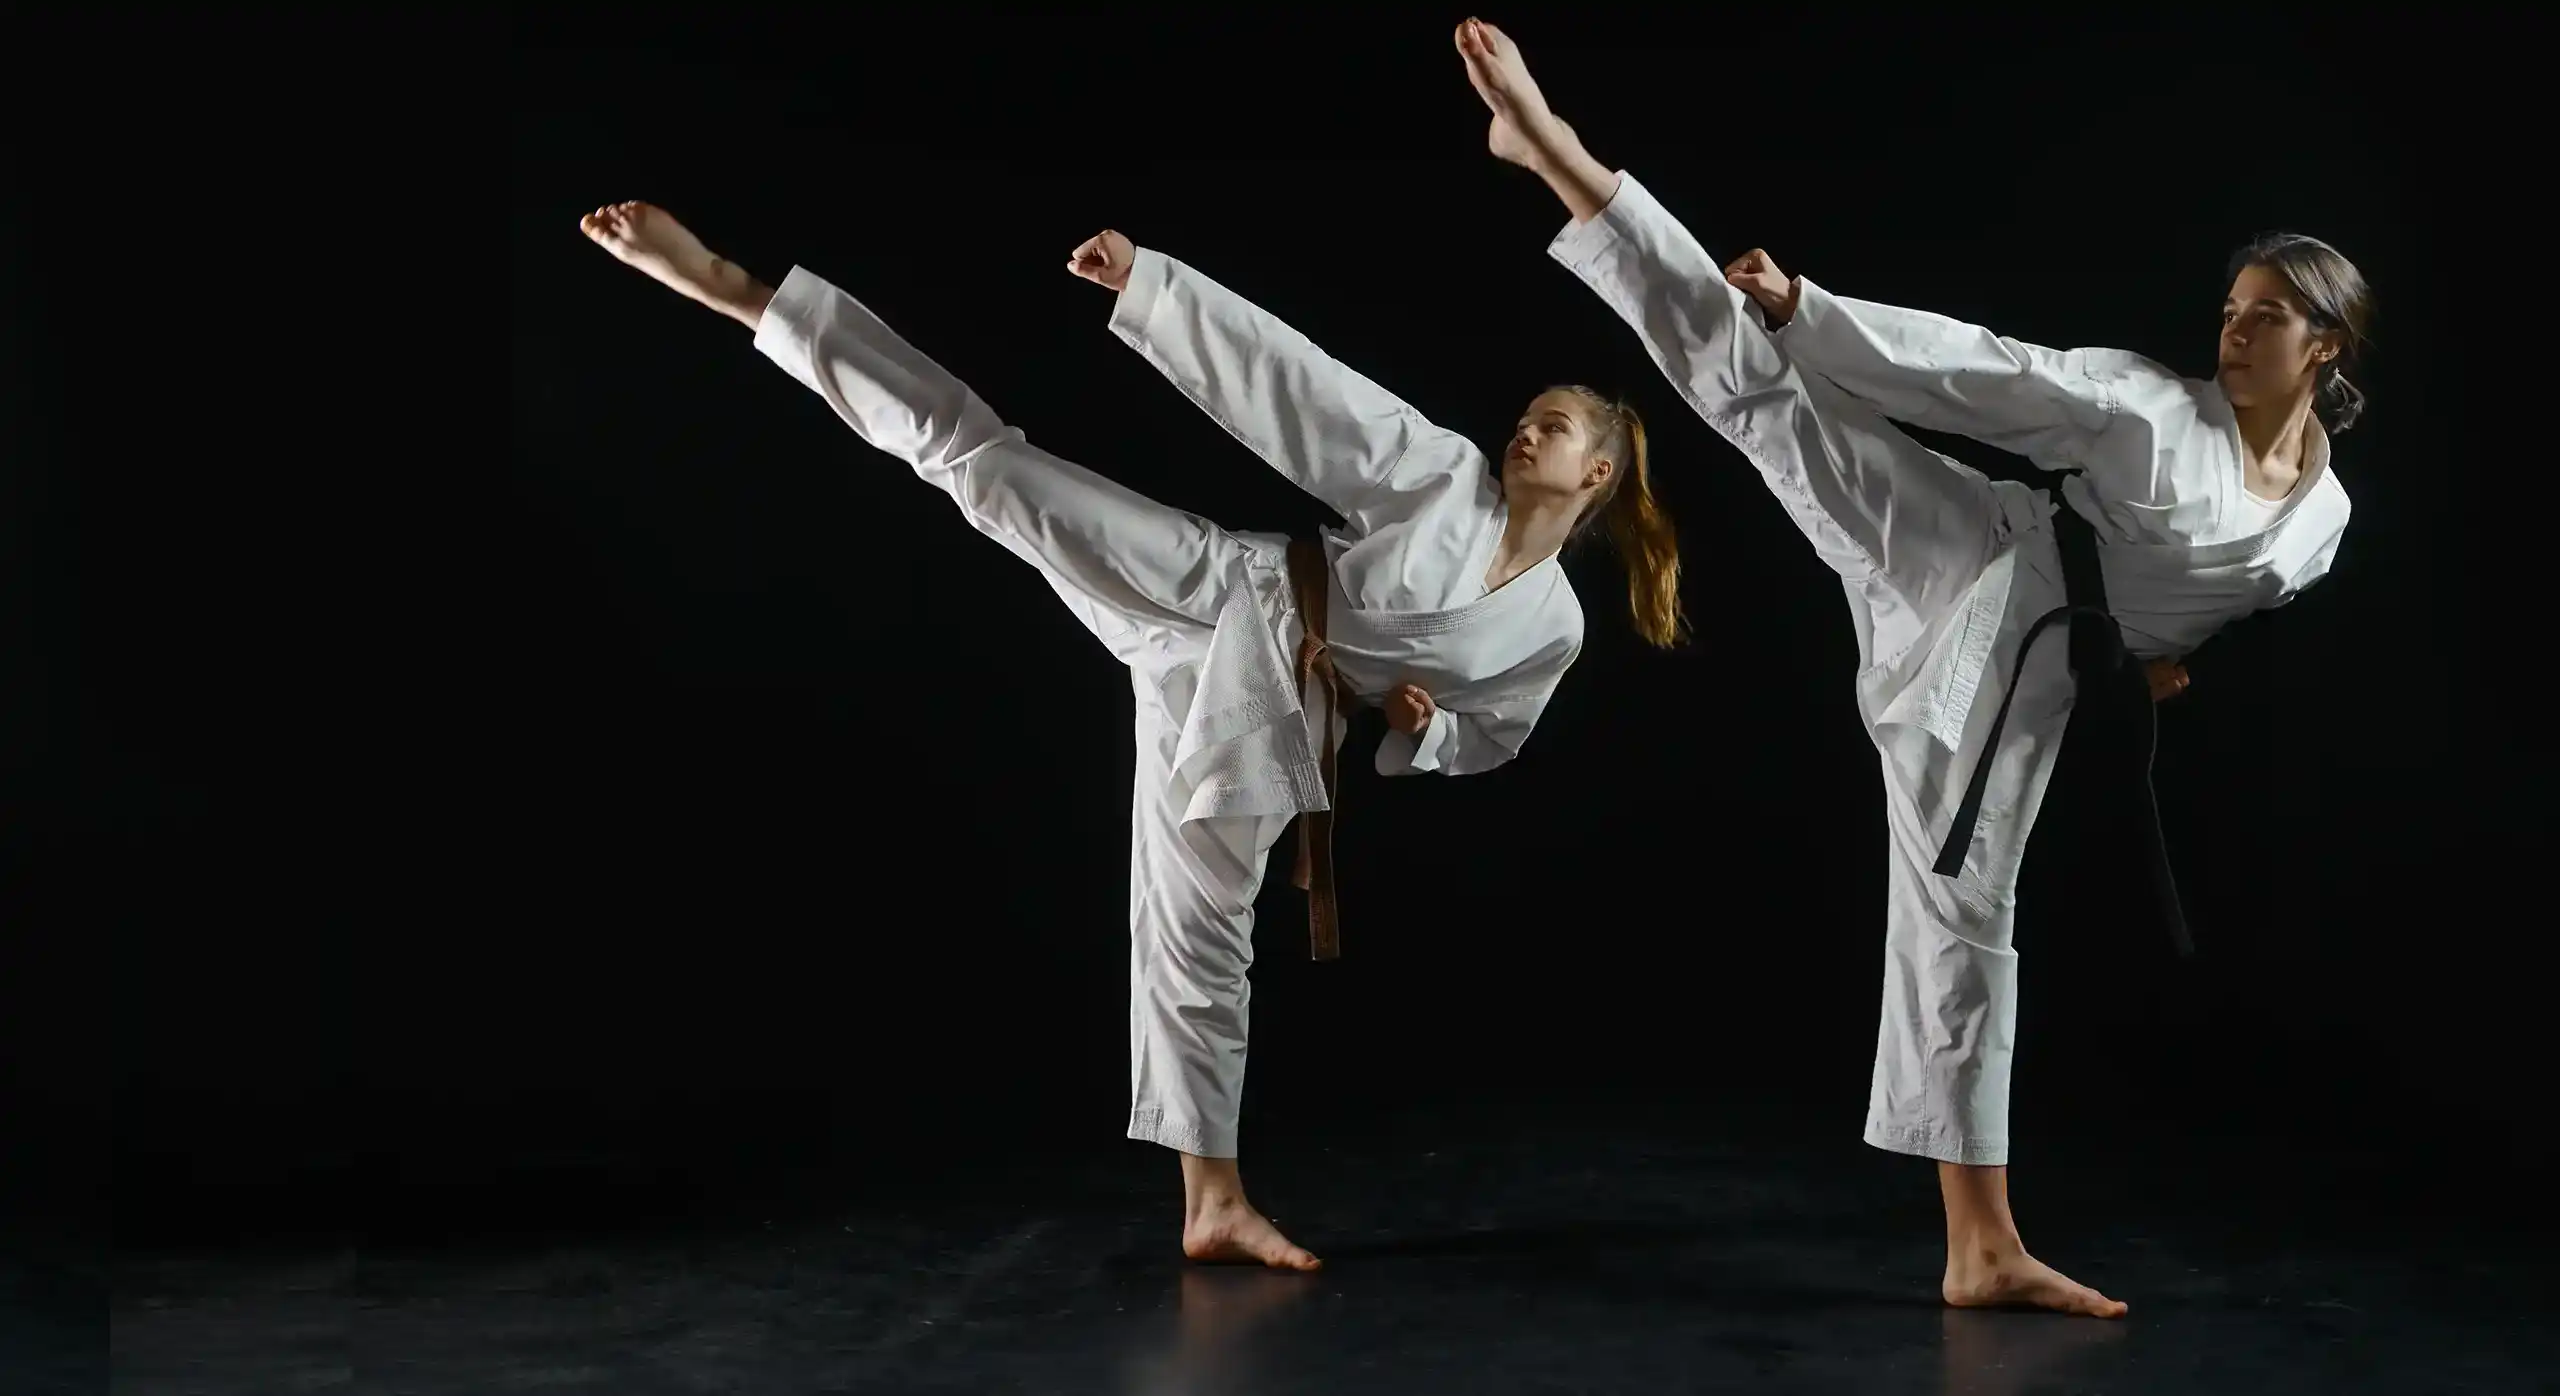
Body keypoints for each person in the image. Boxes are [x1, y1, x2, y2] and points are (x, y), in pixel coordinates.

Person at [1451, 16, 2367, 1317]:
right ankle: (1555, 154)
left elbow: (2223, 594)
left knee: (1961, 910)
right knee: (1762, 392)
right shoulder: (2148, 410)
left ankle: (1979, 1246)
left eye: (2266, 319)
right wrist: (1803, 308)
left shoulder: (2326, 523)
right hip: (1981, 552)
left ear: (2322, 347)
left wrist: (2156, 655)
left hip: (2037, 667)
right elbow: (1984, 373)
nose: (2234, 331)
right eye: (2230, 310)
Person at [576, 199, 1688, 1270]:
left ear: (1595, 473)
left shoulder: (1552, 627)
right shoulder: (1444, 478)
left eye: (1552, 425)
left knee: (1198, 928)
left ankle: (1213, 1201)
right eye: (1527, 412)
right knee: (990, 469)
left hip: (1273, 711)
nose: (1522, 426)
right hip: (1224, 585)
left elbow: (1495, 734)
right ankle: (738, 292)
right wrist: (1154, 289)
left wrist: (1429, 730)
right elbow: (1305, 392)